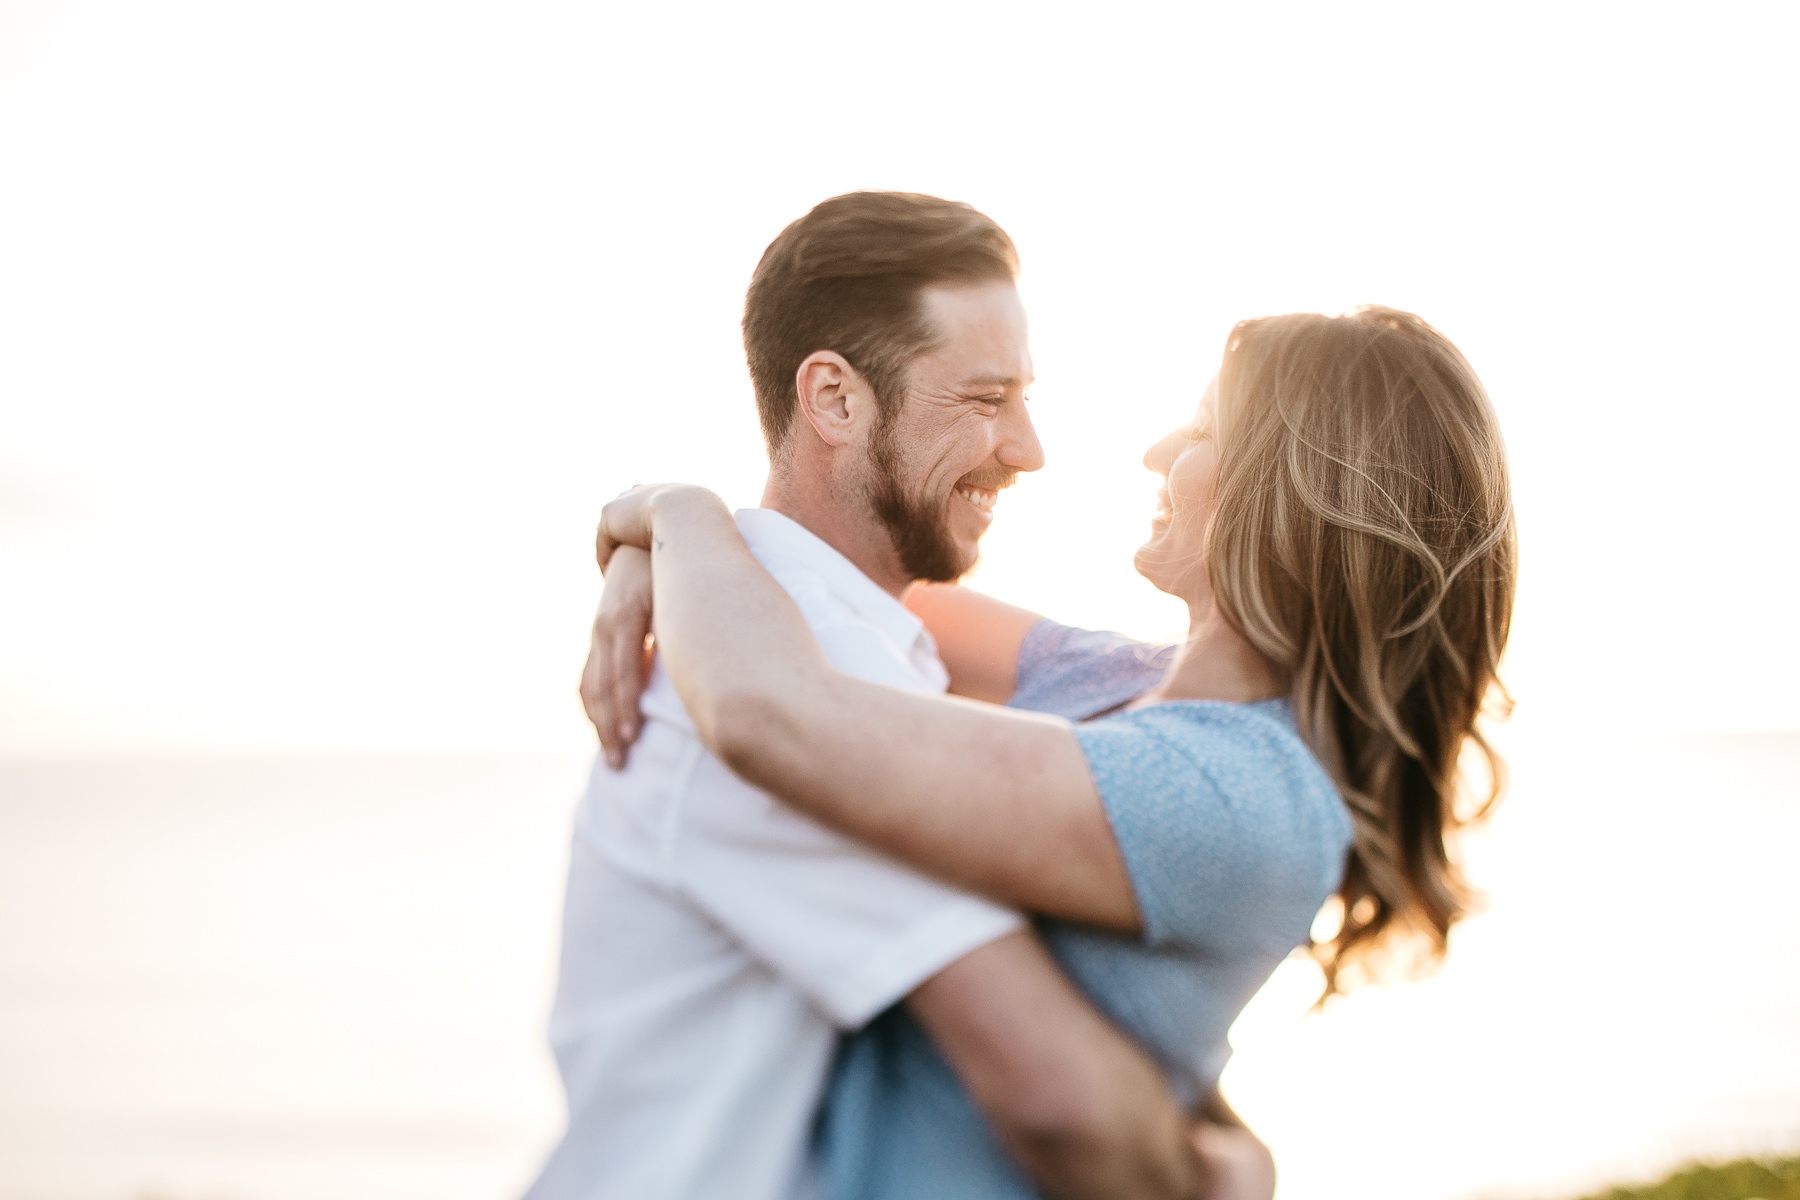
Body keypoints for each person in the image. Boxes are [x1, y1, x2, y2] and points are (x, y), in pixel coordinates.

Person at [587, 304, 1517, 1198]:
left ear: (1294, 490)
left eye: (1202, 428)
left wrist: (674, 515)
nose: (1157, 451)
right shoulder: (1109, 675)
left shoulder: (1240, 789)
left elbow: (766, 709)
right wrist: (657, 553)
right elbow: (820, 582)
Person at [529, 191, 1241, 1200]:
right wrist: (1216, 1169)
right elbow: (1060, 1106)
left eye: (1025, 397)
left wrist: (674, 517)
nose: (1029, 447)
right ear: (834, 401)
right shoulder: (803, 676)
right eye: (985, 400)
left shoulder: (826, 636)